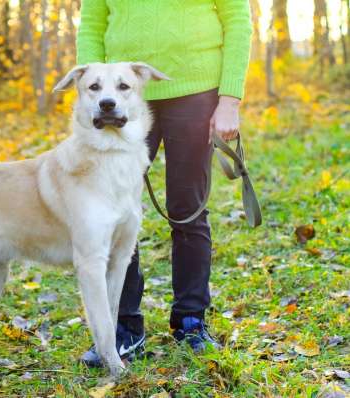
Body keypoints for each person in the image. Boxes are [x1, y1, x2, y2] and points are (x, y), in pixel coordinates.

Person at [76, 0, 252, 366]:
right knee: (112, 215)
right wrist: (90, 94)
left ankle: (190, 322)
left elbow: (237, 19)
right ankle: (124, 328)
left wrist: (230, 100)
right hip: (123, 100)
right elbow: (92, 25)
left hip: (195, 93)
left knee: (187, 212)